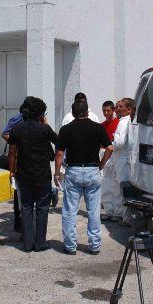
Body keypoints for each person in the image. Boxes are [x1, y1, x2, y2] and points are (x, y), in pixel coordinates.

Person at [55, 100, 113, 255]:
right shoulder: (97, 127)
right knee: (93, 211)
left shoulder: (66, 129)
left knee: (69, 211)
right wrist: (101, 163)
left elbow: (59, 153)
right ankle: (94, 246)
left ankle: (70, 246)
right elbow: (110, 147)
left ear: (73, 114)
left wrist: (56, 173)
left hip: (73, 171)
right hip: (92, 170)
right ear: (87, 112)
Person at [7, 97, 57, 252]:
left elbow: (12, 152)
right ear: (40, 113)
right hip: (42, 174)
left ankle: (28, 243)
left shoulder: (17, 129)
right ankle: (40, 242)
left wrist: (11, 171)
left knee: (26, 208)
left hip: (23, 173)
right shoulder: (44, 129)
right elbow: (59, 142)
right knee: (42, 208)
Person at [2, 97, 36, 232]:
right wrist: (17, 142)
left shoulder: (33, 119)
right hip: (18, 158)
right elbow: (5, 133)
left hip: (29, 159)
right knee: (19, 193)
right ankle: (19, 222)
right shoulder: (18, 118)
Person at [104, 98, 135, 224]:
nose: (117, 109)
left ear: (129, 109)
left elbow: (120, 143)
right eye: (117, 106)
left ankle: (126, 216)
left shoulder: (124, 122)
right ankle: (120, 213)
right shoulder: (127, 121)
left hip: (122, 158)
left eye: (121, 106)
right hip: (122, 158)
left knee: (122, 187)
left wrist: (109, 145)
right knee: (118, 187)